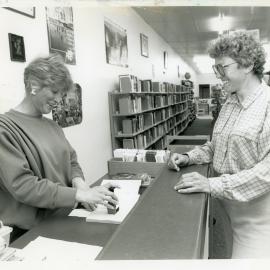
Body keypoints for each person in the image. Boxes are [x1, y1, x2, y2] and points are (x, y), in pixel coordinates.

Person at [168, 32, 270, 259]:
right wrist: (188, 157)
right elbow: (216, 147)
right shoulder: (230, 103)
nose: (218, 75)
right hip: (225, 205)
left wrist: (211, 184)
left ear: (248, 65)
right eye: (216, 69)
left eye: (223, 68)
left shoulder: (267, 104)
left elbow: (266, 173)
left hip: (257, 215)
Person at [0, 54, 118, 242]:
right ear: (33, 85)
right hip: (30, 233)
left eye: (61, 95)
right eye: (54, 92)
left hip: (64, 217)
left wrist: (80, 183)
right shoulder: (5, 129)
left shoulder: (53, 126)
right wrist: (79, 195)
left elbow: (71, 161)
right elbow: (23, 186)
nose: (58, 100)